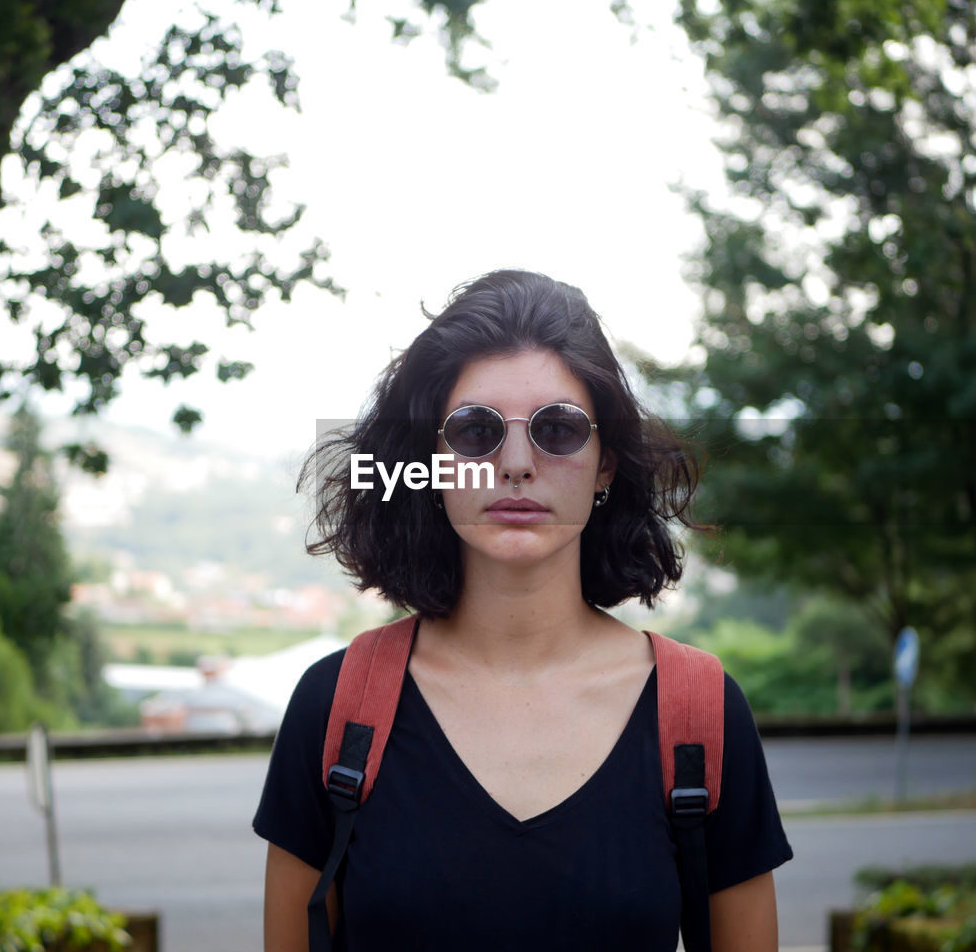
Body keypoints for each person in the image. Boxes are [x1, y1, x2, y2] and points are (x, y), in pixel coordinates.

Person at [254, 269, 792, 951]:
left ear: (605, 465)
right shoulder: (336, 709)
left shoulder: (700, 712)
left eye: (558, 429)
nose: (513, 463)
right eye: (476, 430)